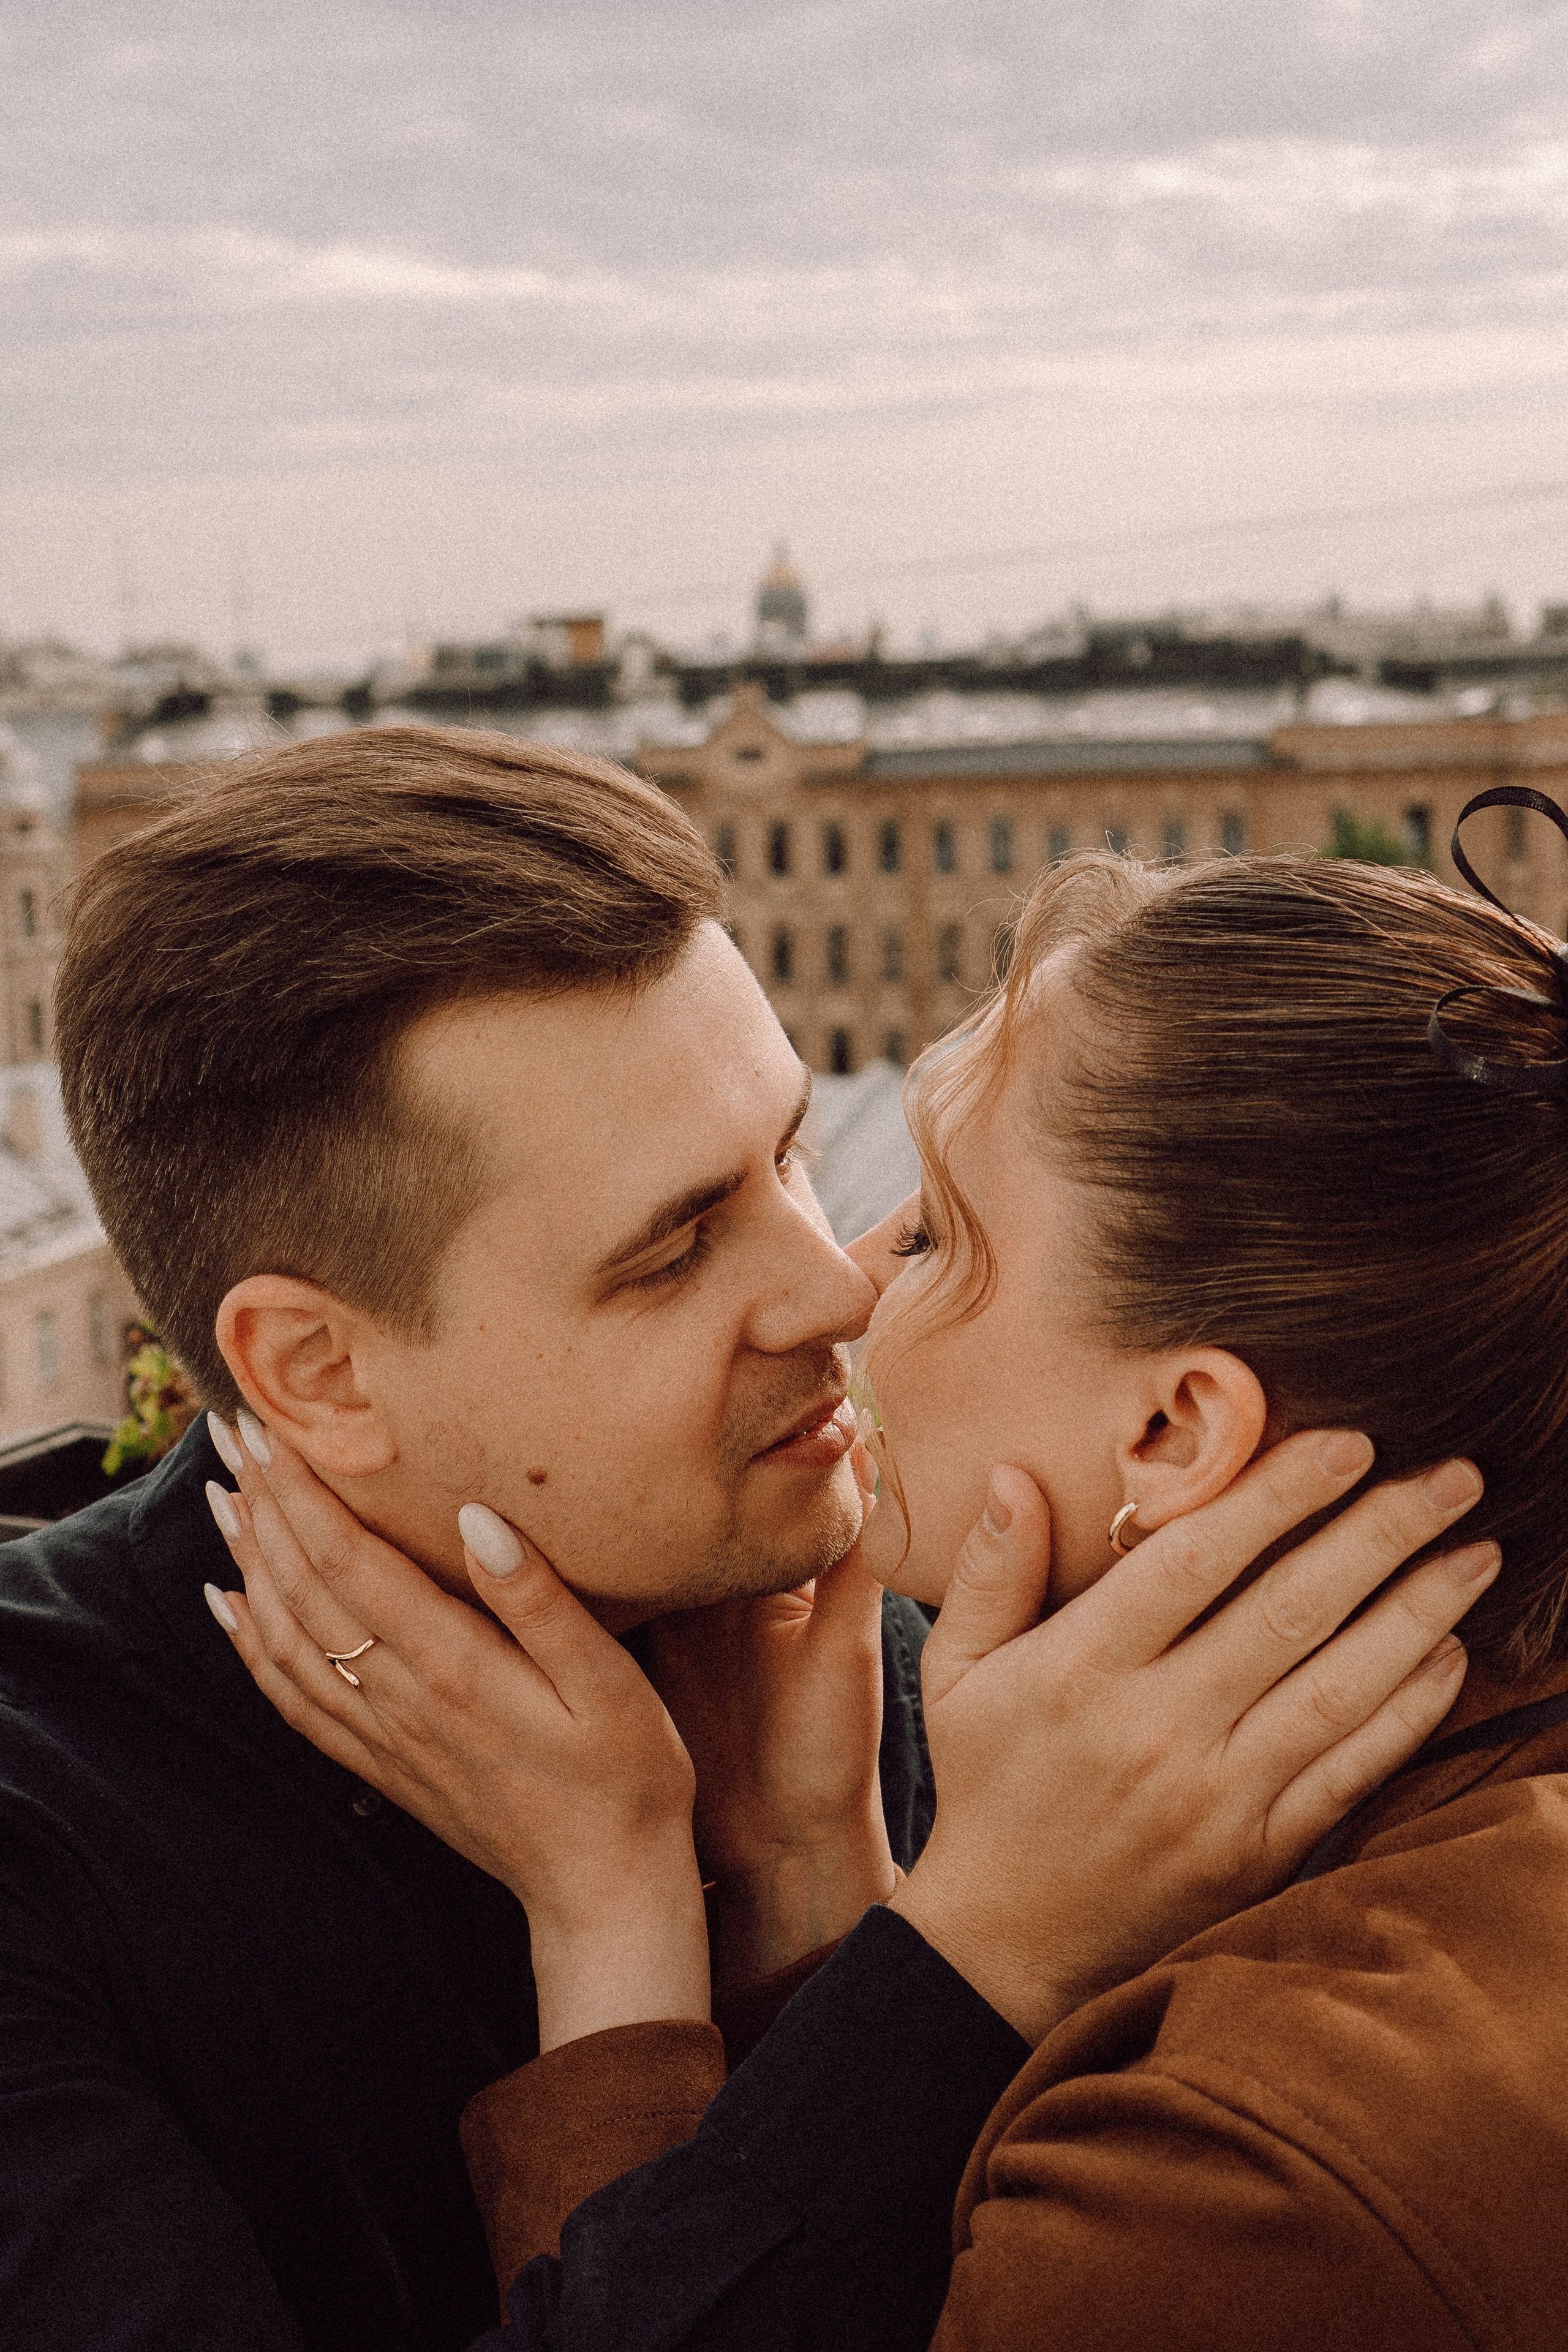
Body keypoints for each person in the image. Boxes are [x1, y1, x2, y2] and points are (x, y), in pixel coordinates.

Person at [0, 723, 1458, 2352]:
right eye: (680, 1246)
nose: (837, 1283)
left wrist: (805, 1920)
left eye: (785, 1155)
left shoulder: (927, 1660)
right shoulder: (44, 1835)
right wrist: (959, 1966)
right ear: (318, 1374)